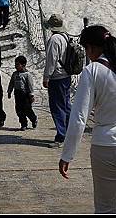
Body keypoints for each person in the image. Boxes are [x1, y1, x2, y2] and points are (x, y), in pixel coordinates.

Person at [59, 25, 116, 214]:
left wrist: (67, 154)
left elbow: (79, 118)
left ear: (91, 48)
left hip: (108, 146)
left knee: (105, 209)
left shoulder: (92, 70)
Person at [42, 14, 73, 147]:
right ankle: (71, 130)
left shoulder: (54, 39)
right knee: (66, 104)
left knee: (57, 106)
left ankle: (61, 136)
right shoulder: (65, 37)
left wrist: (46, 77)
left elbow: (51, 60)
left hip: (57, 76)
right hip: (66, 75)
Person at [7, 55, 37, 131]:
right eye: (15, 65)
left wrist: (31, 95)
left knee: (27, 109)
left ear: (23, 65)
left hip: (25, 95)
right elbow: (11, 83)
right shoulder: (15, 74)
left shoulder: (27, 75)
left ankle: (33, 119)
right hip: (17, 94)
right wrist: (9, 91)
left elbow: (30, 86)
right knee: (19, 110)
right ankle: (23, 124)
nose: (16, 66)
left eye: (17, 65)